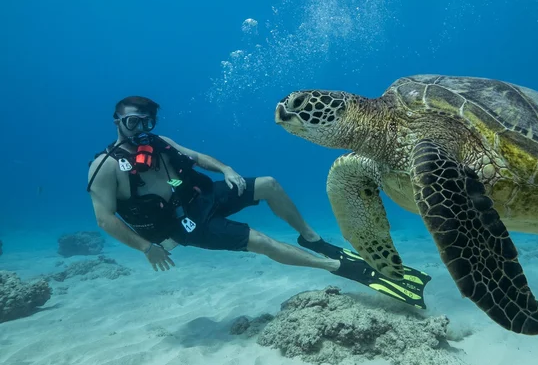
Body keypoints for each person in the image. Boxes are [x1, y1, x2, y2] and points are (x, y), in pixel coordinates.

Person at [87, 96, 429, 308]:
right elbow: (105, 219)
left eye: (148, 122)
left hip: (201, 197)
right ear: (118, 122)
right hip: (185, 225)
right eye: (135, 122)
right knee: (262, 242)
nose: (142, 129)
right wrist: (148, 248)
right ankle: (340, 268)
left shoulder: (160, 142)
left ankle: (311, 238)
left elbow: (195, 156)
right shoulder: (104, 168)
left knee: (268, 184)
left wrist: (226, 168)